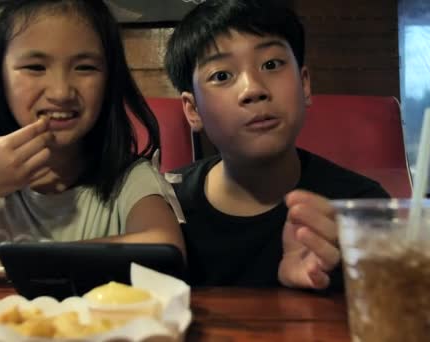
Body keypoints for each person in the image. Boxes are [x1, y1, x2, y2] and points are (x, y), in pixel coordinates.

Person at [0, 0, 185, 281]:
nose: (61, 92)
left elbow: (164, 248)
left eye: (85, 67)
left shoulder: (127, 177)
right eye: (35, 67)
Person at [164, 0, 388, 289]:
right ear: (193, 110)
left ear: (304, 84)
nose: (253, 89)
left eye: (271, 64)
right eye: (222, 76)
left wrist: (341, 273)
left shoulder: (361, 206)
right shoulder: (165, 208)